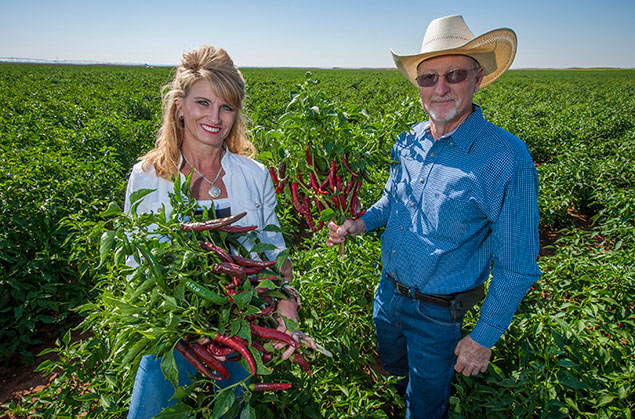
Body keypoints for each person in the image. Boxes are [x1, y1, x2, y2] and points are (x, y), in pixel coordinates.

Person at [326, 15, 541, 418]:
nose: (440, 88)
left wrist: (483, 338)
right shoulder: (407, 140)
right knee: (393, 370)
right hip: (387, 295)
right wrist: (360, 224)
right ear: (418, 86)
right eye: (428, 78)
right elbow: (393, 201)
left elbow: (517, 266)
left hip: (439, 313)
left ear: (477, 79)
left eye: (454, 74)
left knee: (425, 404)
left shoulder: (506, 158)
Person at [123, 45, 314, 419]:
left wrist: (287, 302)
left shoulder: (254, 175)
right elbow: (137, 266)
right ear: (179, 107)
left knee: (235, 411)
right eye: (202, 103)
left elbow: (274, 254)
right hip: (175, 333)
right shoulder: (147, 177)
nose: (215, 117)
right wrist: (182, 321)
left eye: (226, 107)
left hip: (244, 327)